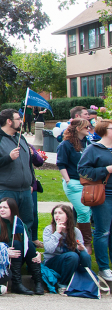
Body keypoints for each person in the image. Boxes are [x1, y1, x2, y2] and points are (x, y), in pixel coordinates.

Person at [0, 109, 35, 237]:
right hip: (5, 190)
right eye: (18, 119)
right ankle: (8, 251)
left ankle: (26, 250)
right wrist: (8, 158)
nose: (21, 122)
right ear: (9, 121)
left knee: (27, 222)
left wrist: (31, 182)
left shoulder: (20, 138)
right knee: (7, 223)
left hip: (24, 189)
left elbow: (28, 163)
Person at [77, 119, 112, 282]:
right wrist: (106, 170)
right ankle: (104, 268)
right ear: (104, 130)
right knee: (103, 231)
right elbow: (83, 171)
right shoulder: (93, 149)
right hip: (103, 195)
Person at [0, 197, 44, 295]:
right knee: (16, 243)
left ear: (13, 209)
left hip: (18, 257)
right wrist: (5, 252)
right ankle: (16, 283)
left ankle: (38, 281)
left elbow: (27, 244)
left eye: (5, 207)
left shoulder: (20, 224)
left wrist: (36, 253)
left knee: (30, 244)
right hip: (2, 259)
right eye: (0, 207)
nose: (2, 209)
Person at [58, 119, 94, 252]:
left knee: (86, 212)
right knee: (84, 211)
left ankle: (75, 240)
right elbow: (61, 164)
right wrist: (68, 181)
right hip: (73, 182)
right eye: (86, 127)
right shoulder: (66, 145)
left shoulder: (88, 143)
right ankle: (87, 243)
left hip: (88, 183)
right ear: (78, 128)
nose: (89, 129)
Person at [43, 203, 93, 290]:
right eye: (55, 213)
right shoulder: (49, 229)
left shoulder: (75, 231)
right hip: (53, 261)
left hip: (70, 260)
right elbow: (49, 249)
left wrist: (81, 248)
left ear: (68, 216)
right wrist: (57, 233)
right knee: (72, 256)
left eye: (60, 213)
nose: (57, 216)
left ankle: (86, 282)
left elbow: (82, 250)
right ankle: (63, 285)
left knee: (85, 256)